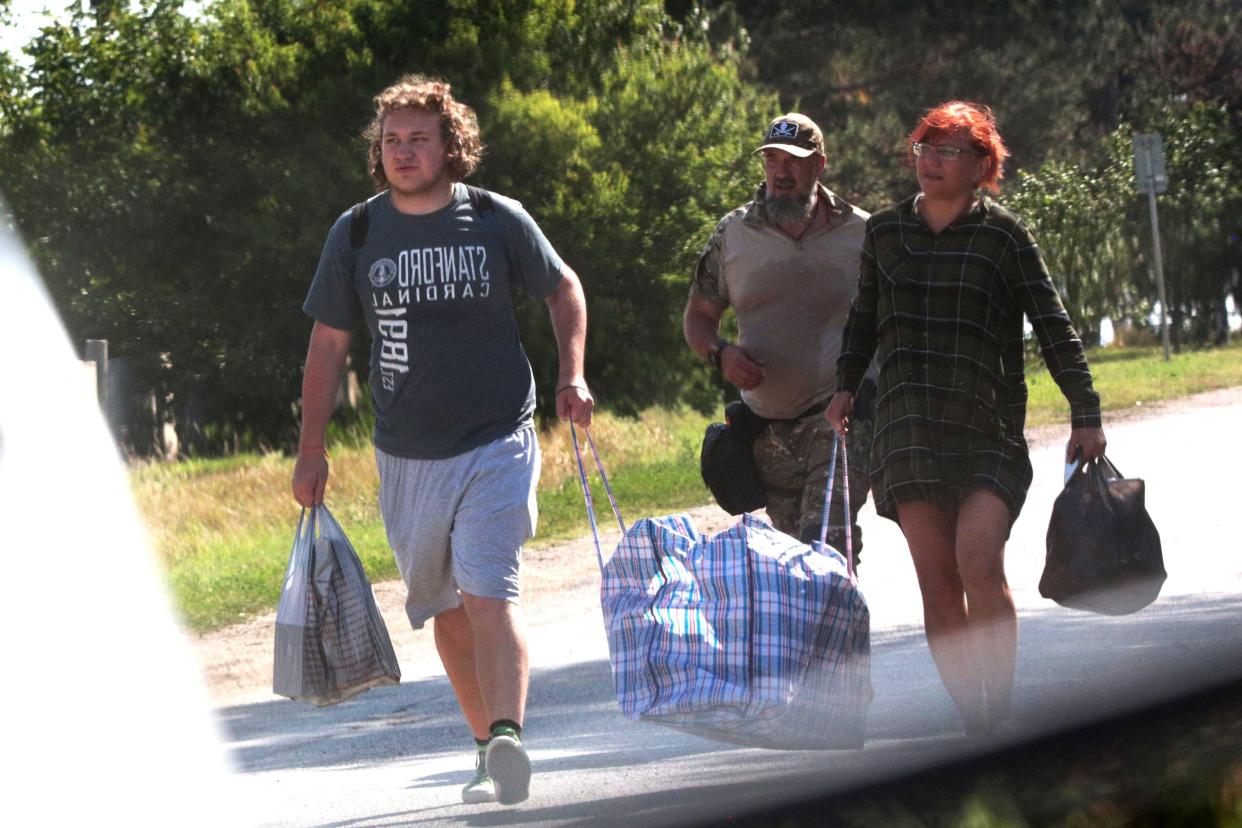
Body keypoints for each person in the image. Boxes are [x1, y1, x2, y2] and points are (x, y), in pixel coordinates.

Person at [291, 75, 593, 806]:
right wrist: (311, 449)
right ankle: (487, 748)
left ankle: (508, 734)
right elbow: (327, 347)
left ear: (450, 145)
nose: (403, 152)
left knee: (490, 588)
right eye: (391, 141)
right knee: (444, 607)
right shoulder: (357, 232)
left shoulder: (495, 218)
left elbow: (563, 288)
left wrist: (571, 375)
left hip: (499, 437)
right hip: (406, 455)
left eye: (418, 139)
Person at [826, 101, 1107, 734]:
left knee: (979, 563)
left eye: (948, 151)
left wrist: (1084, 410)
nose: (930, 161)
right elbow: (863, 318)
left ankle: (998, 716)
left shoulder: (1004, 236)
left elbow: (1054, 326)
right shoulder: (887, 232)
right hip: (908, 428)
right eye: (924, 148)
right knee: (937, 579)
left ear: (983, 164)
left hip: (988, 429)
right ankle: (973, 725)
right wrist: (845, 386)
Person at [683, 113, 876, 557]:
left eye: (793, 159)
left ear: (819, 165)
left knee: (826, 545)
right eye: (772, 159)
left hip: (841, 418)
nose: (781, 171)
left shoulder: (862, 233)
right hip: (767, 428)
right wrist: (721, 354)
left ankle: (837, 619)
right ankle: (835, 626)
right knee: (791, 563)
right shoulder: (733, 234)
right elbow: (697, 316)